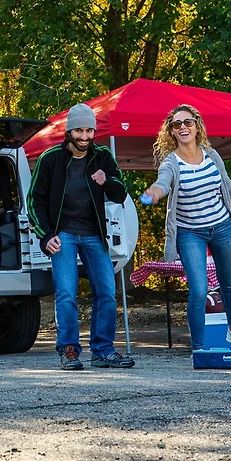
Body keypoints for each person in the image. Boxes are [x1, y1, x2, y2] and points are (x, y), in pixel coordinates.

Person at [143, 104, 231, 355]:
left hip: (223, 227)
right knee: (199, 289)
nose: (183, 127)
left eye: (188, 123)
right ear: (171, 132)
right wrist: (155, 192)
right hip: (189, 233)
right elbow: (163, 183)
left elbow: (230, 192)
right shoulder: (171, 163)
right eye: (176, 125)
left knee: (229, 283)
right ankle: (199, 348)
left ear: (197, 126)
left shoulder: (212, 155)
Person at [28, 103, 135, 371]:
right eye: (79, 130)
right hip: (62, 234)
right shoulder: (50, 159)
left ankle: (102, 351)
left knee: (107, 292)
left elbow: (120, 194)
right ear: (69, 132)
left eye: (89, 130)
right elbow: (34, 201)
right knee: (66, 293)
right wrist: (45, 236)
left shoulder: (102, 158)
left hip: (93, 234)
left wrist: (106, 181)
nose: (84, 136)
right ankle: (69, 350)